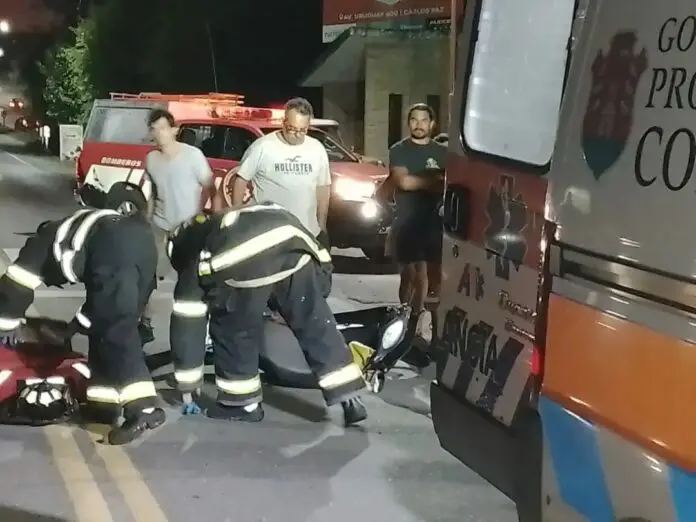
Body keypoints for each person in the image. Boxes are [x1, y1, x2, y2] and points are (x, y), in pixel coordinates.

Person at [166, 201, 367, 425]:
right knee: (317, 326)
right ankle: (349, 394)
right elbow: (322, 263)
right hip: (295, 243)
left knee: (234, 330)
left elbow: (187, 327)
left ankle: (242, 404)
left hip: (241, 259)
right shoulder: (235, 218)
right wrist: (313, 295)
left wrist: (188, 385)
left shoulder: (193, 253)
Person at [0, 183, 165, 445]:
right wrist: (73, 328)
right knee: (107, 325)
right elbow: (96, 309)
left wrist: (6, 324)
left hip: (114, 247)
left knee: (117, 331)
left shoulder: (41, 242)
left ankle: (144, 409)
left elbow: (15, 285)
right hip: (144, 244)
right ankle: (103, 405)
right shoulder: (87, 231)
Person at [140, 108, 223, 343]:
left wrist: (209, 218)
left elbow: (210, 187)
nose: (159, 133)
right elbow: (153, 192)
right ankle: (144, 324)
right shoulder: (151, 159)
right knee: (149, 276)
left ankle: (204, 330)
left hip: (188, 229)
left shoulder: (193, 155)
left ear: (174, 130)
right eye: (154, 129)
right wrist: (147, 220)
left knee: (193, 279)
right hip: (160, 226)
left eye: (163, 128)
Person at [230, 97, 332, 249]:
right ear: (283, 123)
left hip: (306, 233)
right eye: (292, 129)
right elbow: (241, 179)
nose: (297, 135)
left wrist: (321, 224)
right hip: (267, 233)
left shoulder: (317, 149)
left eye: (303, 130)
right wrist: (236, 216)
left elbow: (323, 188)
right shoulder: (263, 147)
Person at [388, 103, 446, 342]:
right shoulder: (399, 150)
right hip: (407, 222)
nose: (419, 124)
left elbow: (450, 183)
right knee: (411, 274)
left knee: (432, 277)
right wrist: (435, 181)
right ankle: (405, 319)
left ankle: (423, 325)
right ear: (408, 122)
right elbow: (404, 182)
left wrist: (421, 181)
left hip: (435, 223)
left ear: (432, 124)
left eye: (423, 120)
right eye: (414, 120)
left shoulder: (443, 152)